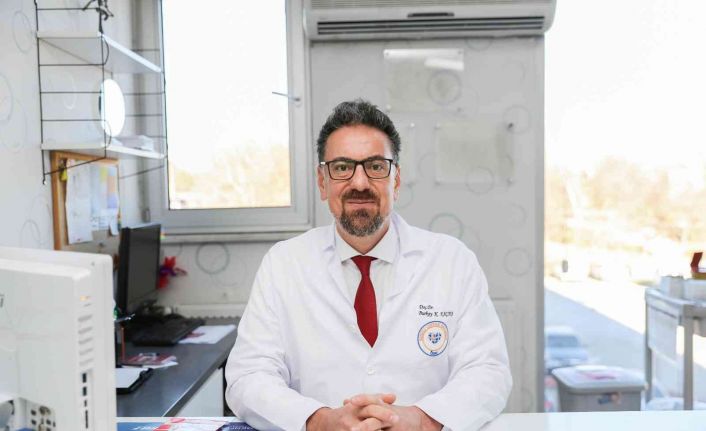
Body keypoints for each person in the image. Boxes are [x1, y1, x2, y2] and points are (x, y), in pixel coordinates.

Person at [225, 99, 512, 431]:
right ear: (322, 182)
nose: (359, 183)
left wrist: (421, 420)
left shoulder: (452, 261)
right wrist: (320, 420)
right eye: (342, 167)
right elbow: (249, 376)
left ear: (396, 180)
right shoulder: (284, 264)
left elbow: (488, 371)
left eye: (376, 166)